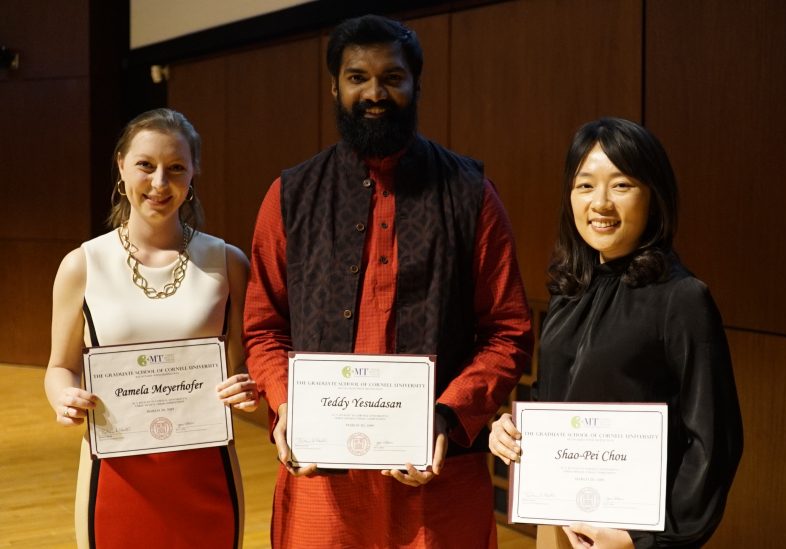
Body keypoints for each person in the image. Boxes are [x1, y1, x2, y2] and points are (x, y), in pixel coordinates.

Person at [244, 14, 534, 548]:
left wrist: (446, 417)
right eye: (357, 77)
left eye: (392, 78)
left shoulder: (470, 194)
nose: (374, 93)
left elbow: (508, 331)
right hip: (323, 484)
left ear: (416, 84)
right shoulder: (289, 196)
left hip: (437, 475)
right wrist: (288, 407)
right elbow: (264, 328)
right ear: (335, 86)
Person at [489, 117, 743, 549]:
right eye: (585, 185)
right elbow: (554, 399)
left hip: (630, 536)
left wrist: (645, 539)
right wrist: (510, 428)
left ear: (653, 196)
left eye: (621, 185)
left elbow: (715, 442)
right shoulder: (570, 290)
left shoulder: (682, 298)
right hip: (558, 518)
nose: (600, 203)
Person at [44, 108, 259, 548]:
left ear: (194, 172)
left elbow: (251, 365)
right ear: (121, 165)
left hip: (207, 472)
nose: (160, 183)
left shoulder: (228, 262)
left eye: (176, 167)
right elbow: (59, 366)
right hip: (115, 474)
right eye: (146, 165)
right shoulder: (82, 264)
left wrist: (250, 388)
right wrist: (63, 397)